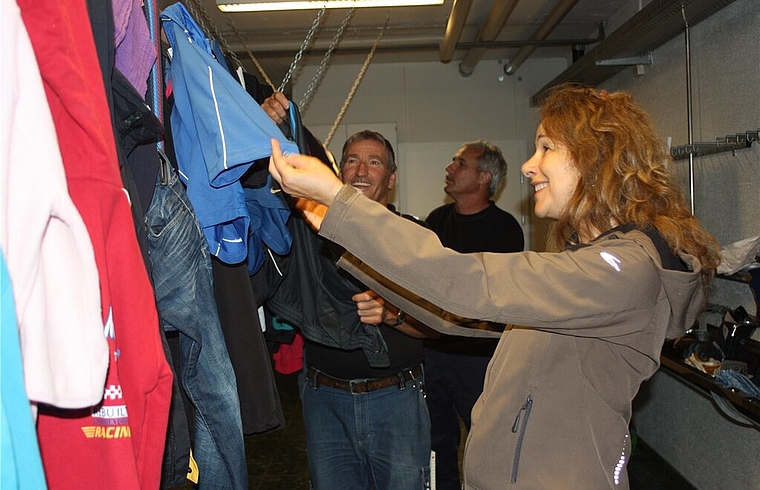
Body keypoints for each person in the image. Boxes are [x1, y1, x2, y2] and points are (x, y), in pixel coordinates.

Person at [267, 84, 721, 489]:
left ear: (593, 156)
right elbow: (462, 314)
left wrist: (339, 201)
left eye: (546, 147)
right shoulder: (594, 263)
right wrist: (344, 233)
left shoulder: (623, 269)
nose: (528, 165)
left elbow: (467, 283)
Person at [261, 96, 434, 490]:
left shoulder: (416, 238)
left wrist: (394, 315)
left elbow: (439, 328)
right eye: (352, 160)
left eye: (374, 162)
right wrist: (271, 126)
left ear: (391, 177)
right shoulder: (312, 229)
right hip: (325, 400)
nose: (361, 169)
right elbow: (273, 180)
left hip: (397, 401)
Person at [424, 140, 524, 490]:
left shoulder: (505, 229)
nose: (450, 169)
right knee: (437, 446)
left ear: (483, 177)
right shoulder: (436, 221)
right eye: (452, 161)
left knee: (486, 445)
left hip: (480, 360)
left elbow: (500, 298)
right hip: (433, 354)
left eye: (460, 163)